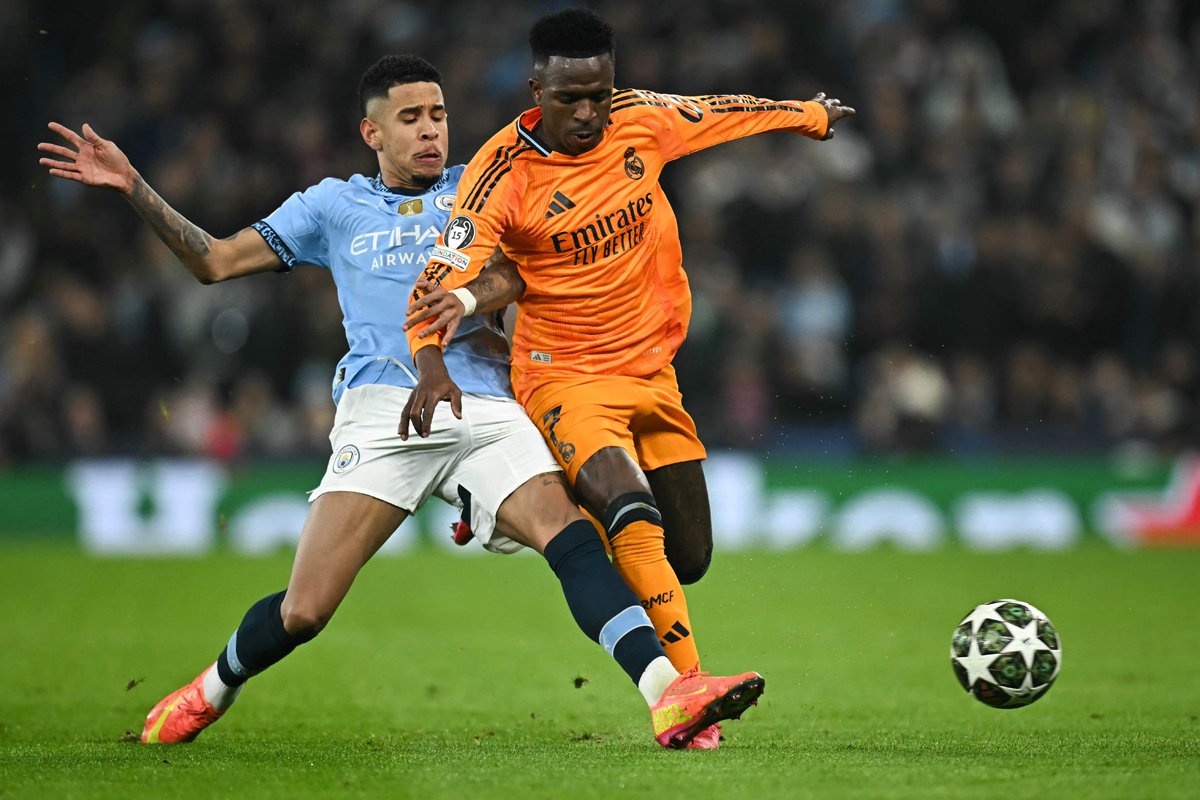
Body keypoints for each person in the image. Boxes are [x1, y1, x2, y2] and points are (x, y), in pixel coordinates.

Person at [38, 55, 763, 750]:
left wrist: (470, 299)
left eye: (439, 114)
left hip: (480, 401)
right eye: (411, 116)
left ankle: (669, 692)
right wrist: (135, 187)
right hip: (381, 408)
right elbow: (214, 261)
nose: (430, 130)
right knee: (305, 610)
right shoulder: (331, 205)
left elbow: (517, 275)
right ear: (372, 132)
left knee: (566, 535)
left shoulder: (480, 185)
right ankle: (214, 686)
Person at [403, 5, 854, 733]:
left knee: (692, 556)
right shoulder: (499, 174)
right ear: (535, 90)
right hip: (564, 375)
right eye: (568, 98)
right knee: (629, 508)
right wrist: (432, 359)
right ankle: (689, 698)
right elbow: (436, 288)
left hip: (653, 371)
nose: (587, 113)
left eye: (598, 95)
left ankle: (522, 506)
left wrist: (808, 116)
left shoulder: (641, 118)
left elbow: (723, 111)